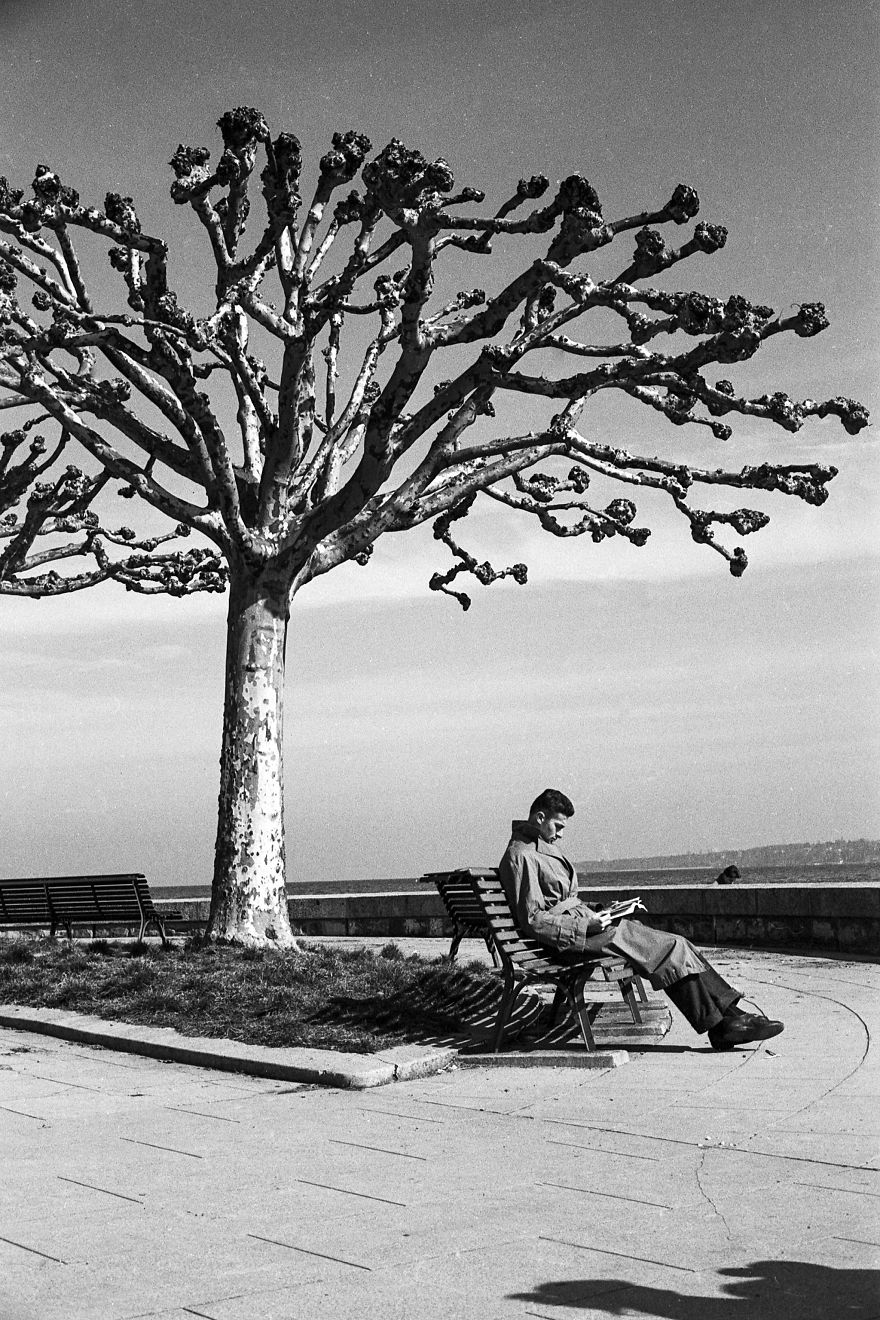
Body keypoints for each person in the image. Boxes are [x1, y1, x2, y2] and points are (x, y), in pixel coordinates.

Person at [498, 789, 784, 1050]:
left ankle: (731, 1017)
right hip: (568, 941)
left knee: (675, 944)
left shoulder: (537, 848)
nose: (560, 834)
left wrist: (604, 910)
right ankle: (724, 1023)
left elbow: (559, 902)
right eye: (558, 826)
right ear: (539, 817)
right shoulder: (522, 854)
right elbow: (534, 919)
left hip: (584, 930)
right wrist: (585, 924)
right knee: (667, 949)